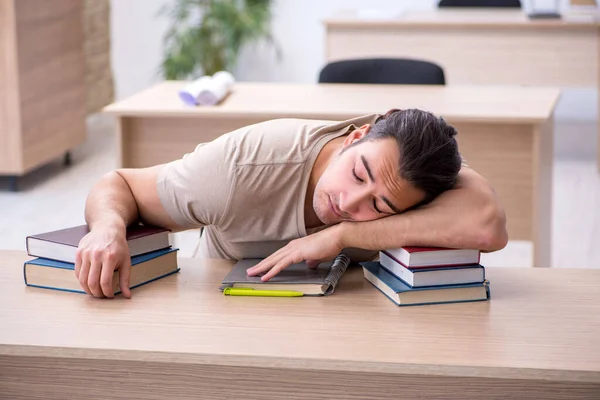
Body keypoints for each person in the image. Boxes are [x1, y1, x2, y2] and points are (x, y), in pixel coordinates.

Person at [76, 109, 508, 299]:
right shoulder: (237, 168)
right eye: (358, 174)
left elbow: (488, 227)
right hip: (227, 320)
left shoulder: (412, 170)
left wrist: (345, 235)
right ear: (357, 136)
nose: (349, 202)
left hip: (344, 328)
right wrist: (107, 229)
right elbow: (120, 185)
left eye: (379, 205)